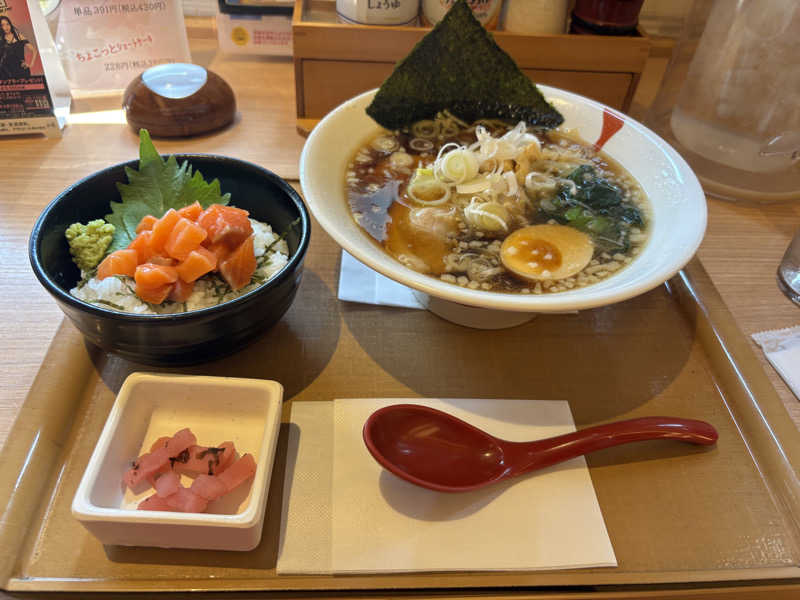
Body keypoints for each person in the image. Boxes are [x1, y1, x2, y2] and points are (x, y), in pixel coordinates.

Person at [0, 15, 38, 79]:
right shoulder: (1, 40)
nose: (6, 27)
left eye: (7, 24)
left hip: (22, 71)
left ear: (10, 24)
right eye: (3, 25)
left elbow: (34, 50)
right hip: (7, 73)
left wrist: (31, 64)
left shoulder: (18, 37)